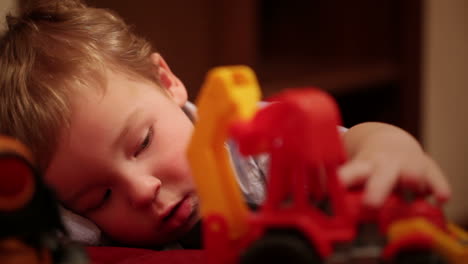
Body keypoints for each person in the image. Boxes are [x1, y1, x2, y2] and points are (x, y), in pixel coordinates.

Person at [0, 0, 451, 249]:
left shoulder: (252, 145)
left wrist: (388, 147)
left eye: (142, 144)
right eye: (101, 197)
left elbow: (353, 143)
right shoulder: (77, 216)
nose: (141, 190)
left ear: (167, 81)